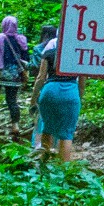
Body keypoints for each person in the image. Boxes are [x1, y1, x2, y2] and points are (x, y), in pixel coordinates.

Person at [34, 28, 83, 162]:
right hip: (71, 92)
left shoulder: (49, 53)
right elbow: (82, 82)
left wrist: (33, 99)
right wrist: (79, 98)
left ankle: (44, 165)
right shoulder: (79, 54)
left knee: (47, 128)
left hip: (50, 91)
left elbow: (40, 77)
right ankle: (64, 171)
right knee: (66, 134)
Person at [0, 15, 31, 130]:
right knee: (12, 100)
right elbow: (26, 58)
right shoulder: (21, 39)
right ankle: (15, 125)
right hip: (13, 75)